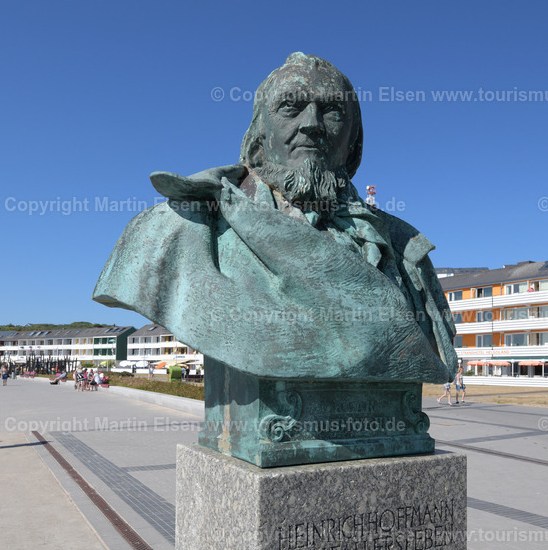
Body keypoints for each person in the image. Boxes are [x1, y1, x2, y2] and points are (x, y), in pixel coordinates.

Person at [93, 53, 457, 386]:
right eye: (291, 107)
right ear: (259, 134)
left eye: (332, 111)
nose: (312, 124)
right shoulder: (175, 229)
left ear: (353, 142)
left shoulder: (404, 247)